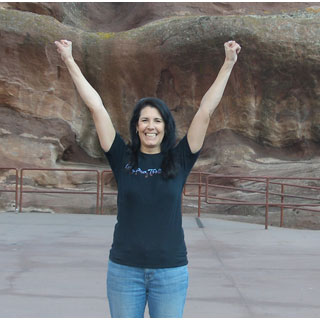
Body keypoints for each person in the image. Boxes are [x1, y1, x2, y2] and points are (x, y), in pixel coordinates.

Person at [55, 38, 241, 318]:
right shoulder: (121, 157)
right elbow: (96, 107)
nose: (150, 126)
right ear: (136, 126)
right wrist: (69, 60)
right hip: (124, 271)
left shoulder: (180, 158)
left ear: (165, 126)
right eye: (144, 120)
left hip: (170, 272)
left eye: (157, 120)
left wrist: (227, 64)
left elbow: (206, 111)